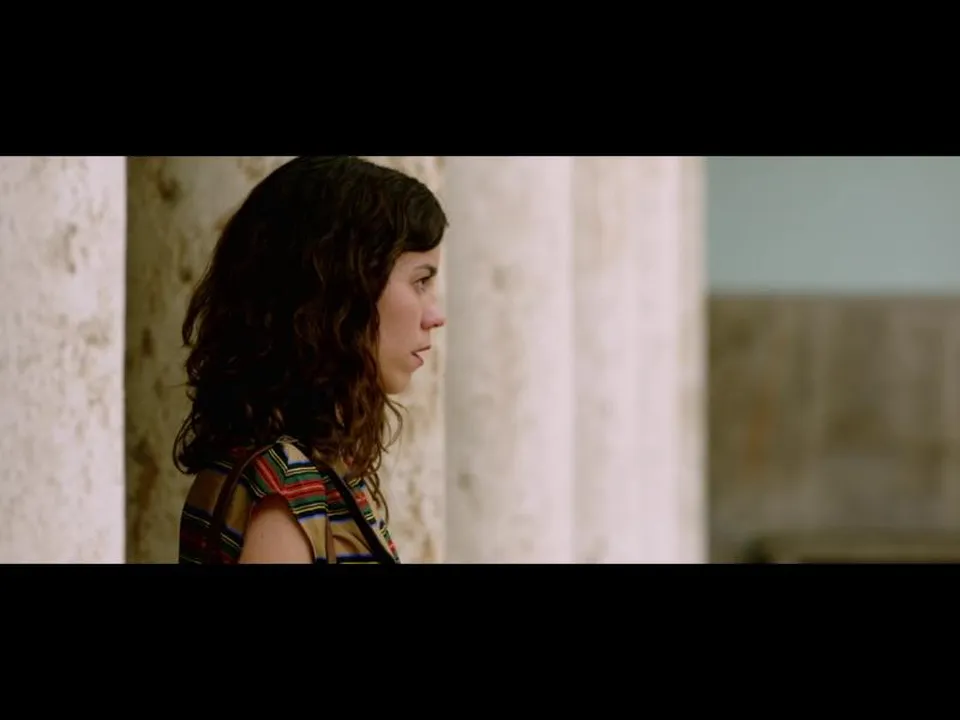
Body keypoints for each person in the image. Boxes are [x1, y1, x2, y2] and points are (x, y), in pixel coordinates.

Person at [174, 156, 448, 564]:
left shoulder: (303, 469)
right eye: (420, 281)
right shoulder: (284, 488)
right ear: (344, 292)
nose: (435, 316)